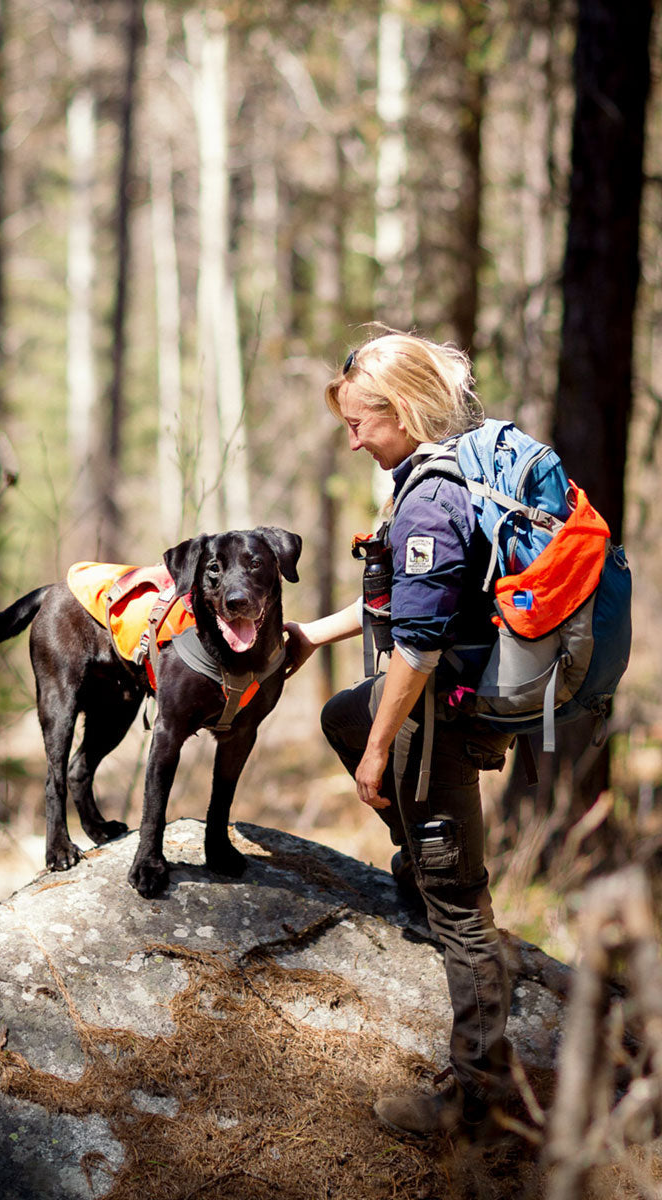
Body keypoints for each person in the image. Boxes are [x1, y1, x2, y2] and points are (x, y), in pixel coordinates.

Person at [285, 328, 515, 1138]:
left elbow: (417, 646)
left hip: (437, 716)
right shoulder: (418, 480)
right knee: (341, 713)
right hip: (424, 696)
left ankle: (480, 1097)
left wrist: (380, 749)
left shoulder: (431, 498)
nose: (351, 437)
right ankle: (423, 870)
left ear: (405, 410)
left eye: (359, 421)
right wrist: (313, 633)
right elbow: (399, 606)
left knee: (460, 903)